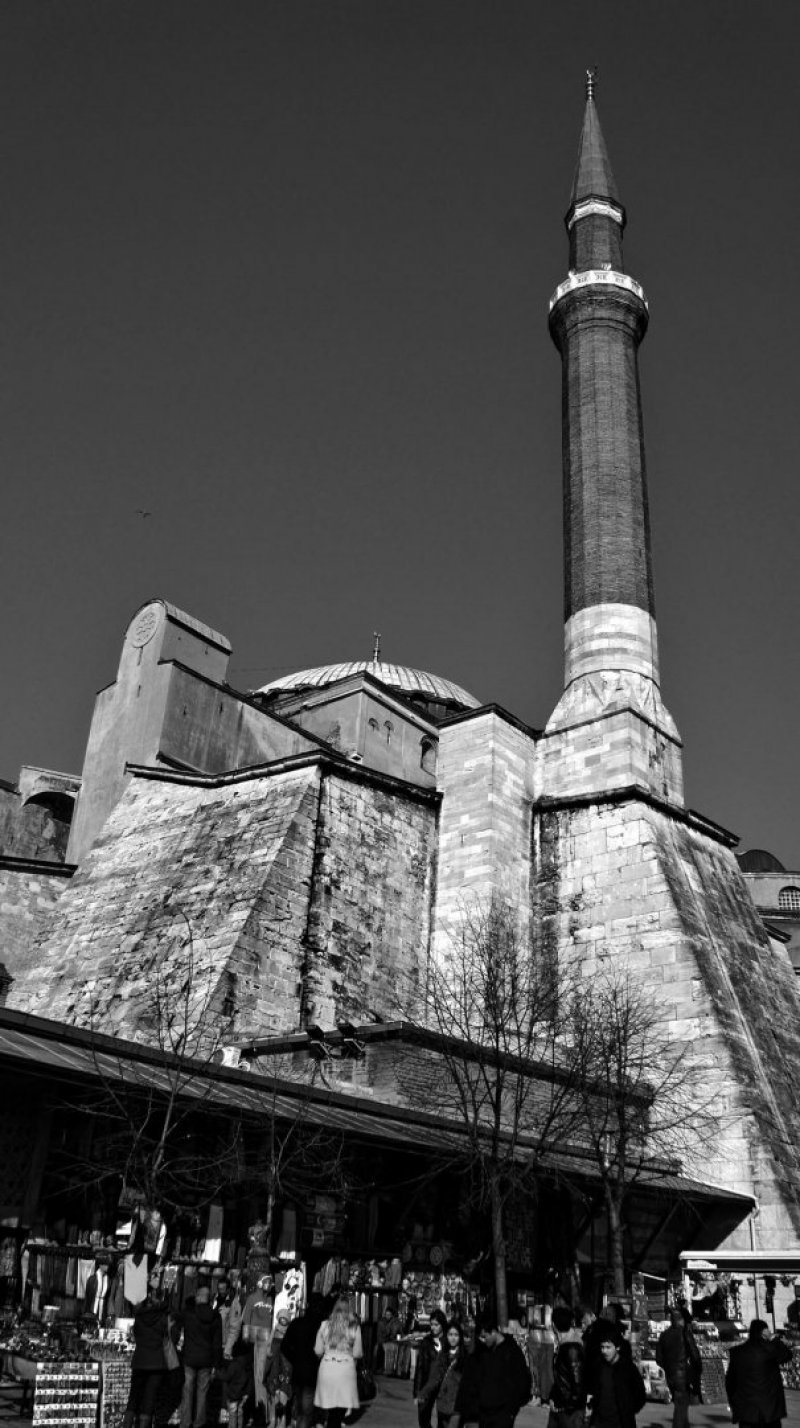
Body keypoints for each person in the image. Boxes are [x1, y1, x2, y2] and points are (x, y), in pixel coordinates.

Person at [451, 1316, 532, 1428]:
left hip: (503, 1414)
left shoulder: (512, 1352)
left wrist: (512, 1411)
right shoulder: (482, 1352)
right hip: (483, 1415)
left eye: (485, 1337)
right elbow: (469, 1382)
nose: (483, 1341)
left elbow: (522, 1382)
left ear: (494, 1332)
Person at [123, 1272, 171, 1428]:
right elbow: (167, 1336)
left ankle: (127, 1425)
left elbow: (136, 1334)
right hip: (156, 1363)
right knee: (149, 1399)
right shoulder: (163, 1318)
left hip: (140, 1360)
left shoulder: (140, 1316)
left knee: (134, 1397)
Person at [725, 1318, 793, 1428]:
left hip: (746, 1412)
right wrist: (774, 1339)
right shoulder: (770, 1350)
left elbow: (730, 1382)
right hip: (770, 1412)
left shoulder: (737, 1352)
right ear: (764, 1331)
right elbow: (787, 1355)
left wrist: (733, 1404)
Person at [176, 1281, 224, 1428]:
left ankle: (185, 1423)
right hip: (207, 1359)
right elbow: (217, 1344)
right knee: (202, 1393)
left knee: (187, 1392)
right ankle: (199, 1423)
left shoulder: (189, 1314)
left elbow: (176, 1318)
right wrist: (216, 1364)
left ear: (197, 1297)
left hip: (189, 1358)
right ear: (209, 1299)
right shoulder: (216, 1317)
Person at [313, 1295, 363, 1428]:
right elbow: (358, 1353)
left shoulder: (324, 1325)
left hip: (327, 1367)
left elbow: (318, 1350)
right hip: (345, 1370)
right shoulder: (354, 1327)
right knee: (338, 1412)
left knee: (329, 1409)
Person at [585, 1326, 646, 1428]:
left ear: (617, 1347)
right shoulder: (599, 1366)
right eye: (602, 1347)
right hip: (599, 1422)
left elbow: (640, 1395)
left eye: (608, 1347)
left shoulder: (628, 1368)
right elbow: (592, 1389)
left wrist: (628, 1411)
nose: (604, 1351)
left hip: (621, 1423)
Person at [281, 1294, 326, 1428]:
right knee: (306, 1412)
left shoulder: (296, 1323)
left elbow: (284, 1346)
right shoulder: (321, 1326)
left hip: (297, 1371)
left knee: (299, 1408)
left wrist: (294, 1359)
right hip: (312, 1373)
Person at [656, 1307, 702, 1428]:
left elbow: (659, 1359)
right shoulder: (684, 1333)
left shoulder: (664, 1335)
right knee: (681, 1407)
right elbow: (695, 1354)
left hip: (671, 1376)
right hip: (683, 1375)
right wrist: (697, 1369)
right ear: (680, 1320)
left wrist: (668, 1367)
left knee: (681, 1405)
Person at [243, 1274, 275, 1426]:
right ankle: (261, 1412)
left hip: (267, 1341)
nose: (269, 1284)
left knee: (264, 1376)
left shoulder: (270, 1299)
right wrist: (247, 1341)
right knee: (258, 1377)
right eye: (267, 1281)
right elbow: (245, 1320)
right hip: (255, 1342)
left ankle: (264, 1412)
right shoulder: (251, 1298)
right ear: (260, 1283)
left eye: (270, 1281)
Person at [549, 1306, 587, 1428]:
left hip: (569, 1412)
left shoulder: (572, 1348)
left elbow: (578, 1384)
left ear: (553, 1325)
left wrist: (566, 1405)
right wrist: (554, 1397)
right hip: (561, 1407)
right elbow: (561, 1378)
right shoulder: (565, 1345)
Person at [413, 1311, 449, 1428]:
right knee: (423, 1418)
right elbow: (420, 1368)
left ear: (442, 1324)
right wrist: (417, 1392)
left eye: (436, 1324)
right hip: (428, 1385)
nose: (433, 1327)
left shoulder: (449, 1341)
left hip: (444, 1386)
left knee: (443, 1419)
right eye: (431, 1324)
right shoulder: (426, 1342)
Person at [431, 1321, 467, 1427]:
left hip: (457, 1404)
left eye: (456, 1335)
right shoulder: (442, 1355)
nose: (453, 1338)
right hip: (442, 1403)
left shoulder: (464, 1357)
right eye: (450, 1335)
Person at [264, 1308, 293, 1427]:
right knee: (274, 1391)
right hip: (275, 1362)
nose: (283, 1320)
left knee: (284, 1392)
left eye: (285, 1318)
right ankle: (273, 1418)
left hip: (285, 1363)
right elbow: (269, 1342)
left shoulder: (290, 1331)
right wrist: (268, 1351)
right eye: (281, 1318)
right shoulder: (275, 1328)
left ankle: (283, 1419)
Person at [220, 1338, 254, 1428]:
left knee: (233, 1415)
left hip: (233, 1395)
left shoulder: (234, 1365)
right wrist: (247, 1393)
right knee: (240, 1413)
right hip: (243, 1395)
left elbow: (227, 1376)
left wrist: (218, 1373)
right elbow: (250, 1380)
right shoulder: (247, 1365)